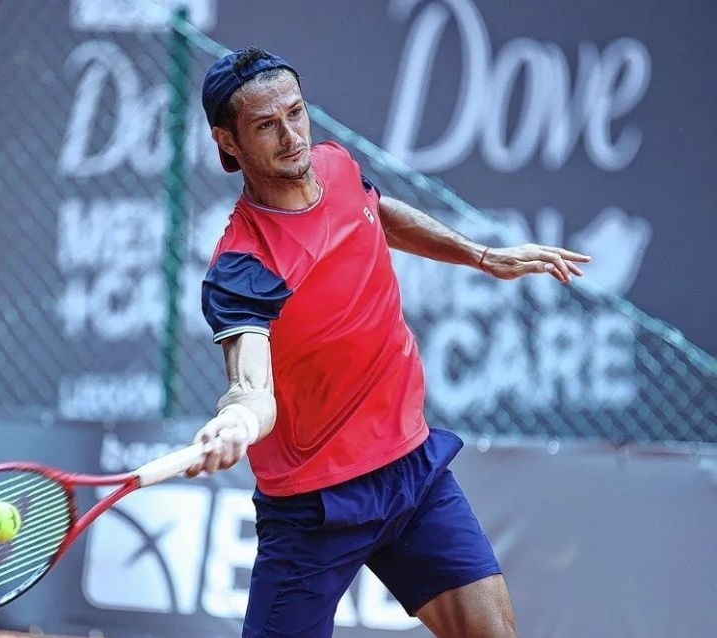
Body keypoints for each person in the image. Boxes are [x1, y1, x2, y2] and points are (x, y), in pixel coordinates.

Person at [186, 47, 590, 638]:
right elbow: (251, 385)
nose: (292, 137)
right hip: (316, 507)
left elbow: (374, 211)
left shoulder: (335, 166)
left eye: (296, 113)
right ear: (228, 142)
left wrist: (481, 255)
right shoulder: (244, 264)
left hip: (411, 470)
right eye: (266, 126)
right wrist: (238, 420)